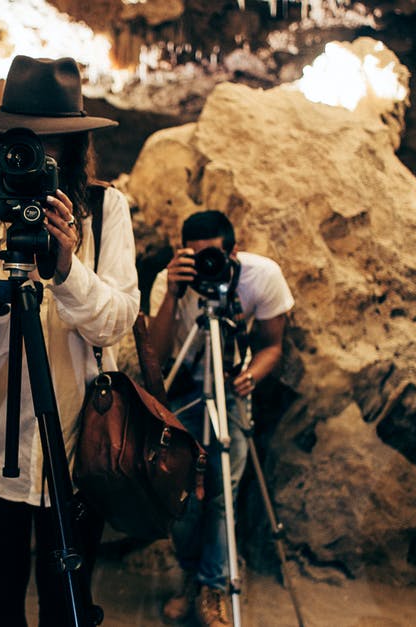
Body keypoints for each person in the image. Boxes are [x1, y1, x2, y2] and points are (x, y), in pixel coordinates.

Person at [0, 55, 139, 626]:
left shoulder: (107, 209)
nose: (38, 154)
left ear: (74, 145)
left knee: (66, 606)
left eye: (53, 141)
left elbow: (116, 321)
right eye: (26, 140)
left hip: (75, 447)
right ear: (0, 141)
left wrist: (68, 268)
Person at [147, 210, 294, 627]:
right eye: (194, 257)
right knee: (181, 490)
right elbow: (155, 357)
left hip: (231, 387)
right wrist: (174, 293)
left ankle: (214, 587)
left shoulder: (260, 276)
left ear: (234, 249)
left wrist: (251, 376)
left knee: (222, 489)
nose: (204, 266)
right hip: (184, 387)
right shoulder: (171, 280)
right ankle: (193, 577)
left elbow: (272, 346)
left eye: (212, 256)